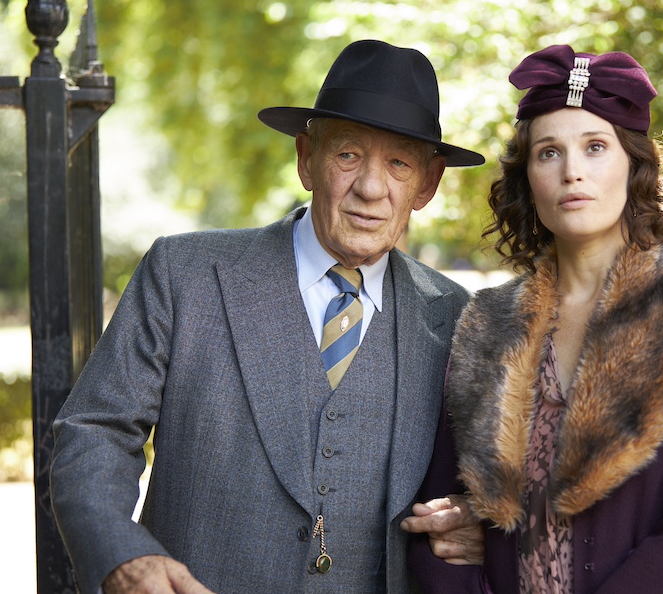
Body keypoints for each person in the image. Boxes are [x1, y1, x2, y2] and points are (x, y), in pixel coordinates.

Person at [50, 39, 487, 594]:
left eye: (399, 163)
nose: (371, 188)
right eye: (348, 155)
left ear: (427, 184)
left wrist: (480, 525)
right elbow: (95, 432)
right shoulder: (184, 274)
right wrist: (123, 557)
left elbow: (496, 486)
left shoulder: (458, 319)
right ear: (307, 159)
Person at [409, 44, 663, 593]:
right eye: (548, 152)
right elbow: (433, 522)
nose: (572, 172)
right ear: (528, 177)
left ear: (634, 164)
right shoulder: (487, 324)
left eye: (595, 147)